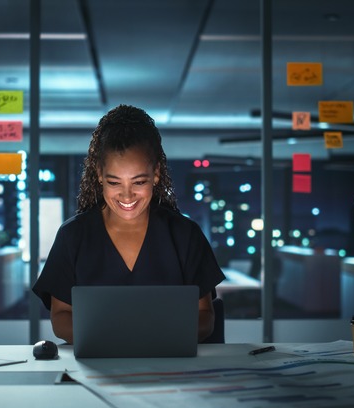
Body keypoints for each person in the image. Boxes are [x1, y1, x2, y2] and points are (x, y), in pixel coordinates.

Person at [32, 104, 225, 344]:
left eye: (139, 182)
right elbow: (61, 317)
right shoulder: (73, 236)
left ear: (156, 173)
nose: (127, 195)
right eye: (114, 183)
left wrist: (150, 340)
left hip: (169, 361)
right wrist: (117, 341)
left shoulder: (185, 235)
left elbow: (205, 316)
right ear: (99, 174)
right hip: (98, 360)